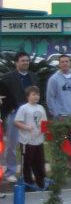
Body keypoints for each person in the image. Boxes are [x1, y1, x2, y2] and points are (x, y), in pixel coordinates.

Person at [1, 52, 40, 182]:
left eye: (27, 60)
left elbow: (38, 95)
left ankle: (28, 172)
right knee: (12, 145)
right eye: (23, 60)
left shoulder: (34, 77)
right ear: (16, 62)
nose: (25, 62)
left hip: (31, 115)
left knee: (31, 145)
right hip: (15, 115)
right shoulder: (7, 78)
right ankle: (10, 172)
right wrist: (8, 110)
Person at [13, 86, 47, 191]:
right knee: (27, 163)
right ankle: (28, 183)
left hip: (38, 140)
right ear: (28, 96)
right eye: (34, 94)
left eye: (38, 94)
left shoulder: (41, 108)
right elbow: (16, 122)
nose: (36, 96)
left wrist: (44, 131)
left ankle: (41, 182)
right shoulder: (24, 108)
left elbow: (44, 122)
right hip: (27, 141)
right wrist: (26, 127)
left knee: (39, 162)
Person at [46, 54, 71, 120]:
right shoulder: (54, 79)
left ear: (70, 63)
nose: (65, 63)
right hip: (61, 116)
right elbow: (50, 97)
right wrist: (55, 114)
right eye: (62, 62)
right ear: (59, 64)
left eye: (67, 61)